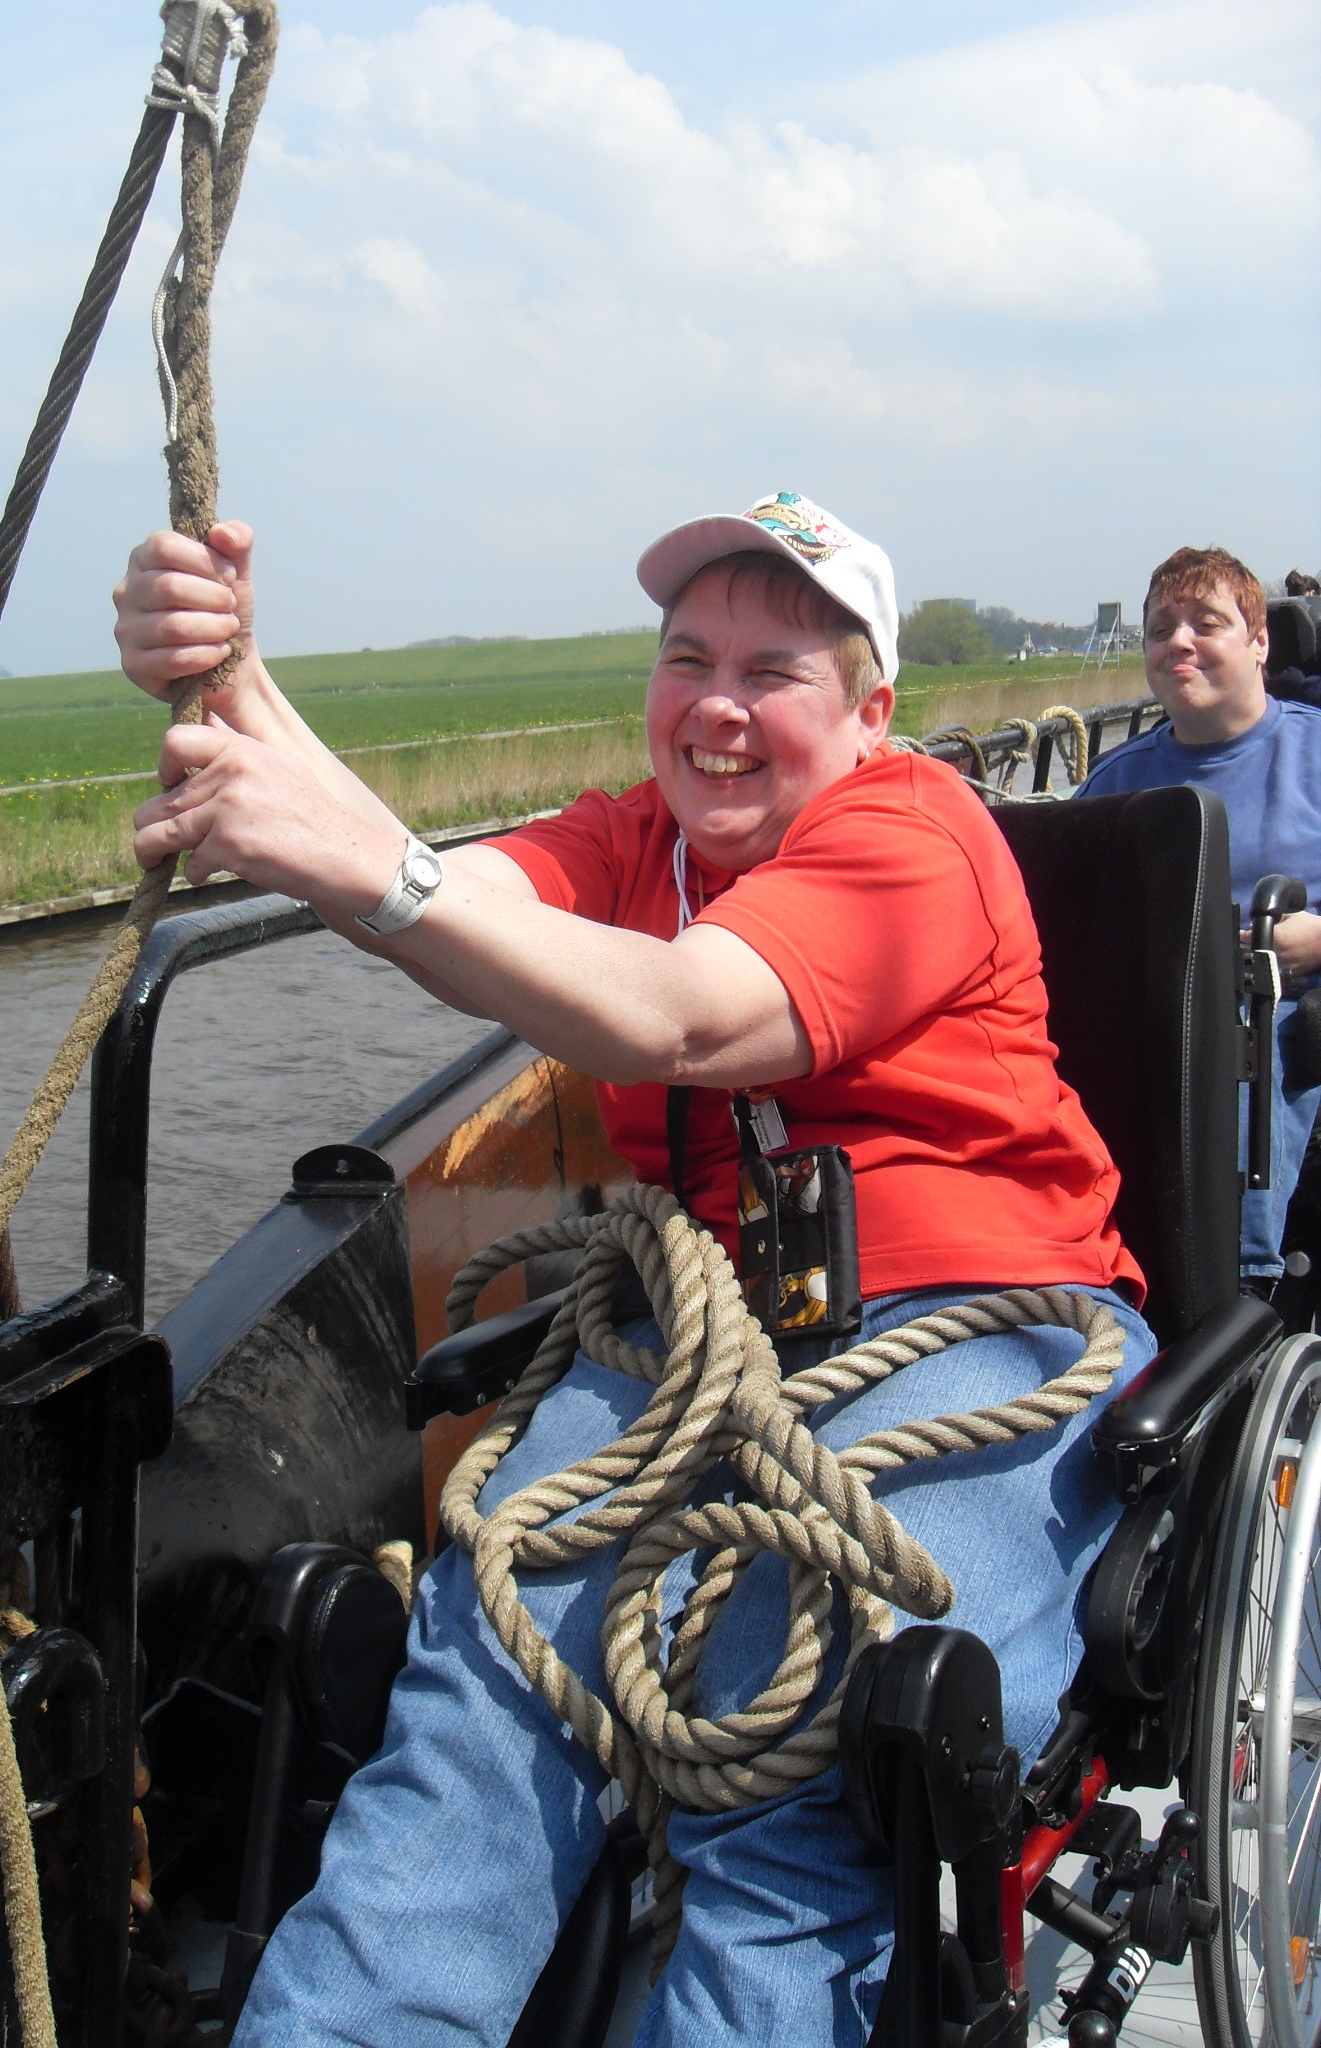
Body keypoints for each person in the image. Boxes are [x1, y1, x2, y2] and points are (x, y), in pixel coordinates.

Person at [114, 490, 1155, 2046]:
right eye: (688, 657)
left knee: (796, 1753)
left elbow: (681, 1015)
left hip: (979, 1321)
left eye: (775, 671)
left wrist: (361, 869)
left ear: (873, 713)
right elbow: (442, 891)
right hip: (700, 1336)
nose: (718, 707)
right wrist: (238, 682)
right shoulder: (637, 839)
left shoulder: (915, 829)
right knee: (481, 1708)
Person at [1078, 545, 1321, 1287]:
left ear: (1258, 642)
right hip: (1160, 1005)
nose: (1178, 641)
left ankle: (1242, 1278)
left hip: (1284, 1004)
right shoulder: (1116, 786)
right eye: (1160, 628)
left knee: (1251, 1030)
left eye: (1205, 623)